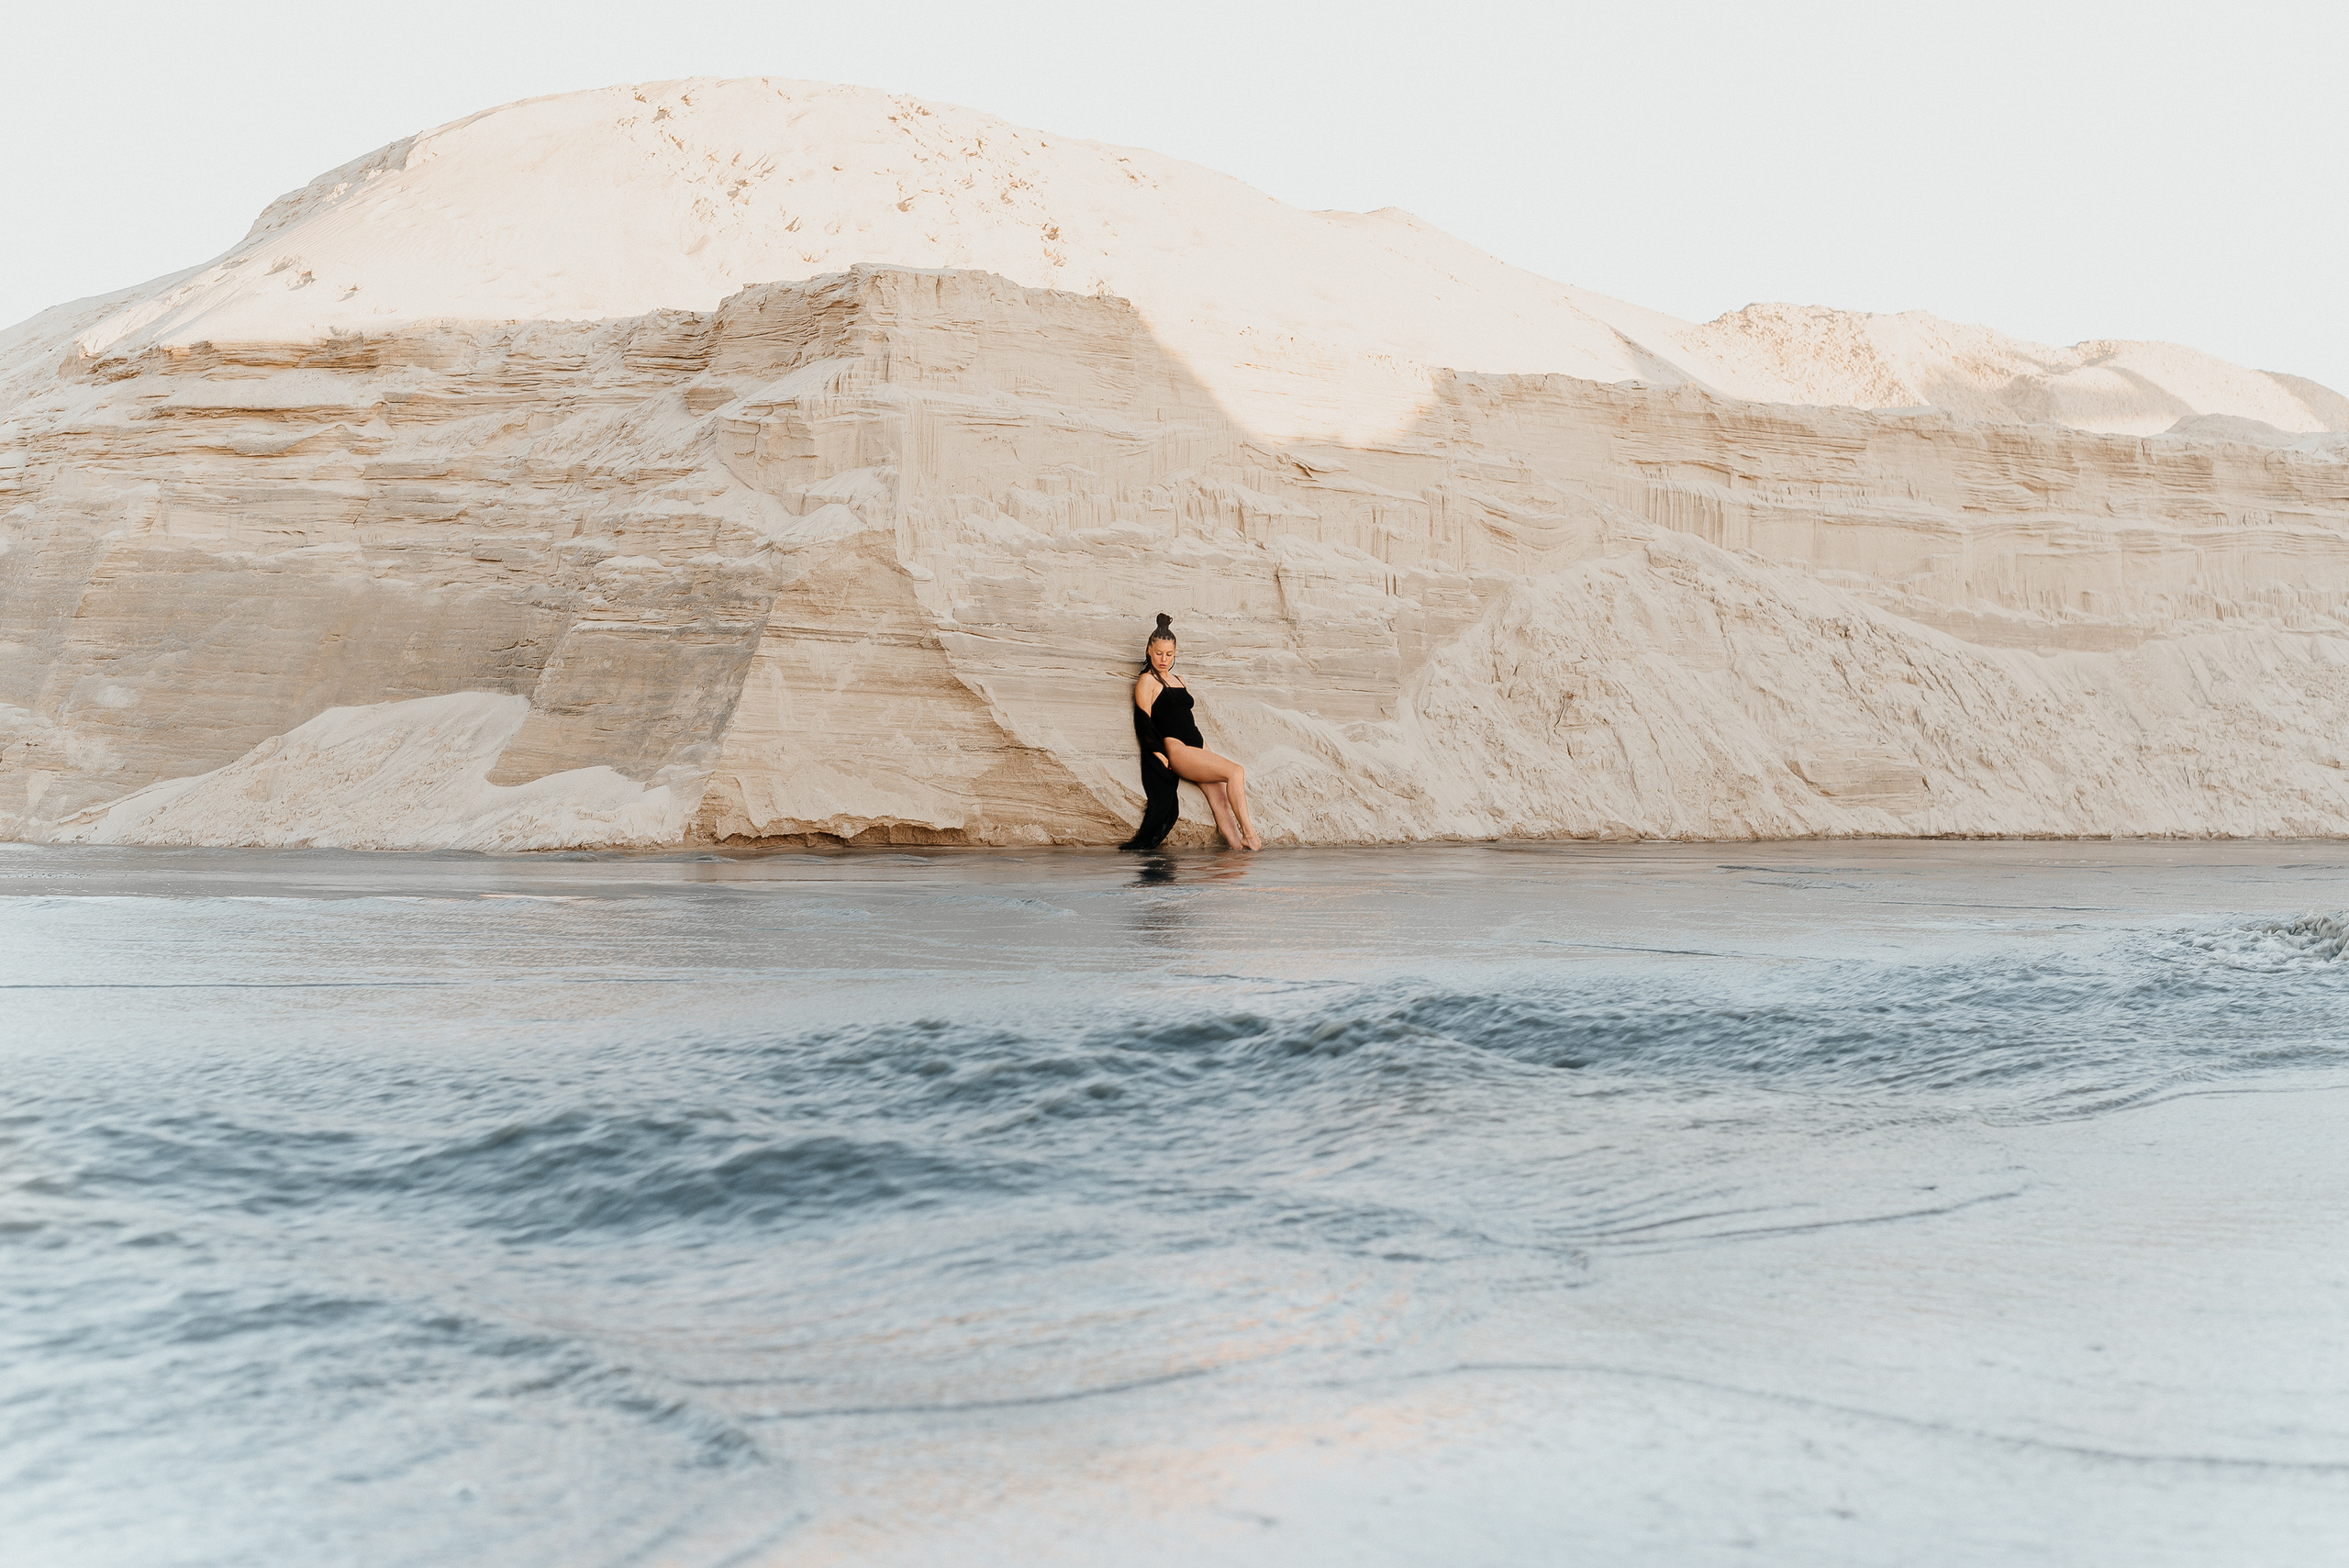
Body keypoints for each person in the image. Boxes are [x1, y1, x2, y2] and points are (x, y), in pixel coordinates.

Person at [1120, 612, 1262, 851]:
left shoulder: (1180, 679)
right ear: (1148, 650)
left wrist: (1206, 749)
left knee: (1221, 800)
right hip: (1178, 749)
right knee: (1236, 772)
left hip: (1197, 744)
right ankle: (1251, 836)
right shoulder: (1147, 681)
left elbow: (1187, 720)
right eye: (1158, 653)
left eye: (1169, 654)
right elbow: (1143, 721)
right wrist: (1158, 753)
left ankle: (1239, 853)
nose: (1163, 659)